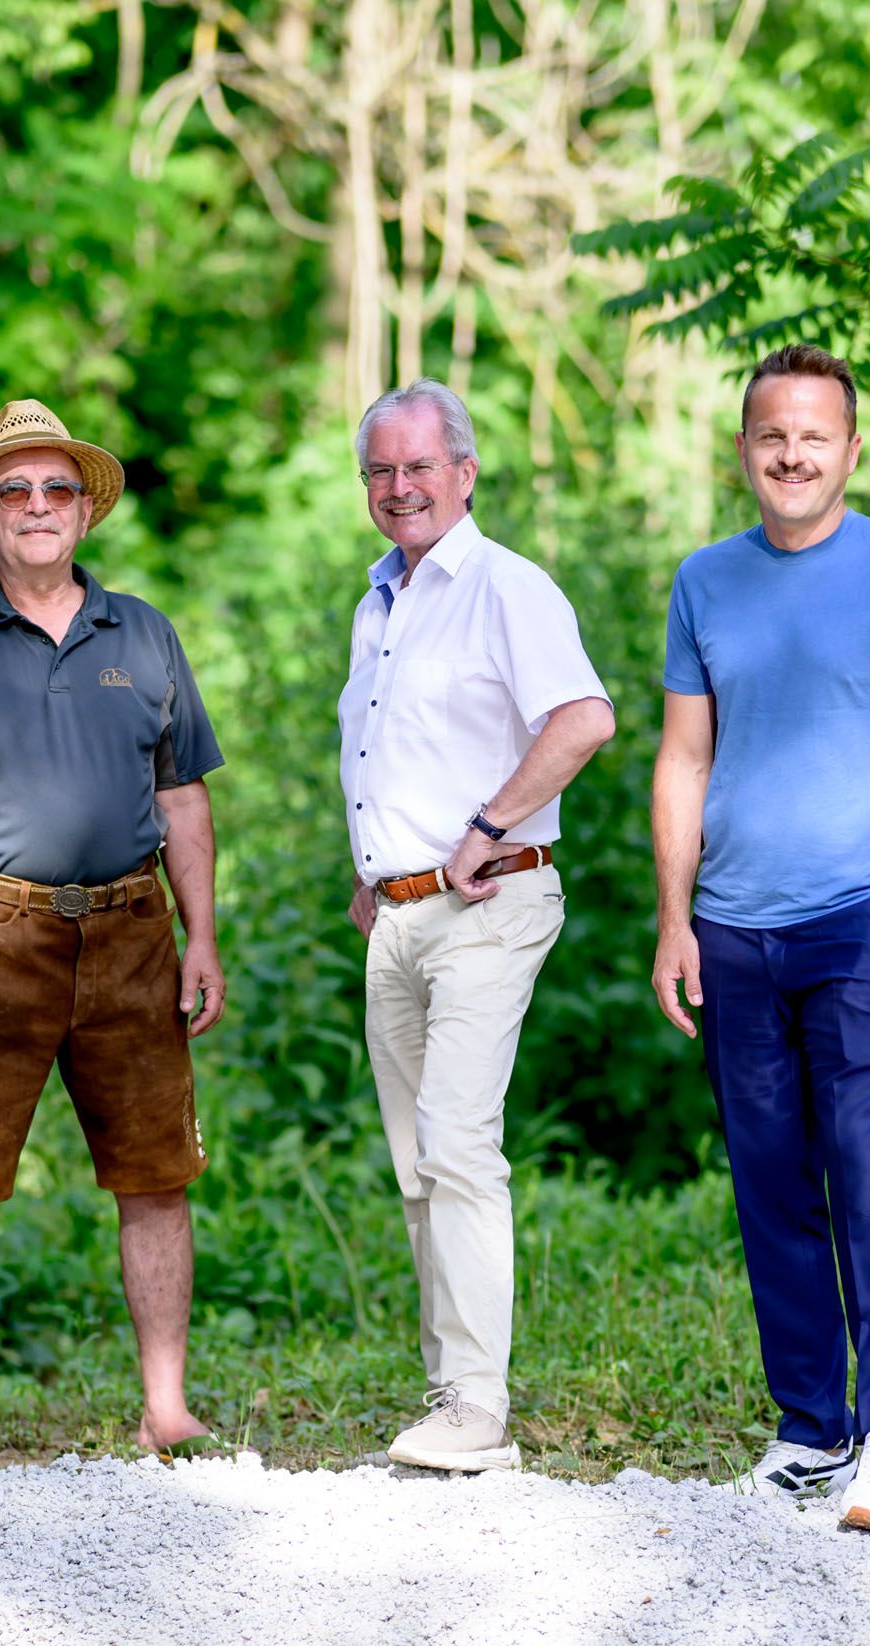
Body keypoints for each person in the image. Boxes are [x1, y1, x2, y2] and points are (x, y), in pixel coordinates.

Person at [648, 347, 870, 1535]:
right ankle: (809, 1431)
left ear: (850, 450)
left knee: (864, 1172)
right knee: (769, 1184)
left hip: (858, 925)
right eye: (769, 435)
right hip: (732, 930)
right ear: (743, 449)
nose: (790, 454)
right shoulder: (704, 581)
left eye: (812, 436)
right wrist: (674, 919)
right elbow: (683, 757)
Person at [0, 401, 230, 1465]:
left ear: (85, 511)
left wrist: (202, 938)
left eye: (57, 489)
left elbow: (183, 799)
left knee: (156, 1177)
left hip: (131, 934)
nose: (38, 506)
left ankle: (166, 1408)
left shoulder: (145, 634)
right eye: (14, 491)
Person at [335, 382, 618, 1476]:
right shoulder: (378, 604)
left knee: (457, 1143)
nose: (398, 486)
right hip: (399, 915)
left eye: (418, 466)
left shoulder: (507, 586)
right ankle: (451, 1392)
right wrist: (374, 867)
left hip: (490, 903)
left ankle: (478, 1410)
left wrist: (485, 826)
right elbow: (388, 750)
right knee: (418, 1161)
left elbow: (584, 719)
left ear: (464, 471)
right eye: (380, 470)